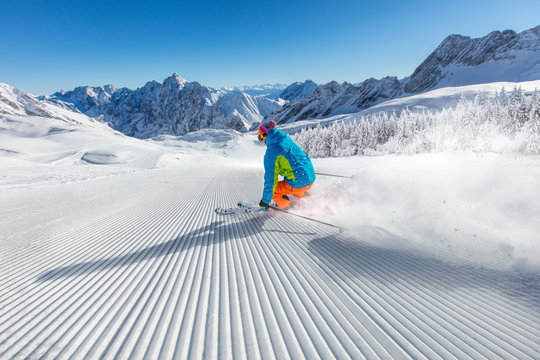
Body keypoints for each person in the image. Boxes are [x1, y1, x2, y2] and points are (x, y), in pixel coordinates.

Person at [258, 120, 316, 210]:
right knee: (294, 184)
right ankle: (305, 197)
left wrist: (265, 201)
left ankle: (285, 207)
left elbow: (271, 179)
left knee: (274, 191)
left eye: (261, 138)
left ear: (264, 136)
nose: (262, 141)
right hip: (310, 177)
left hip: (299, 182)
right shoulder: (286, 139)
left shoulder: (271, 151)